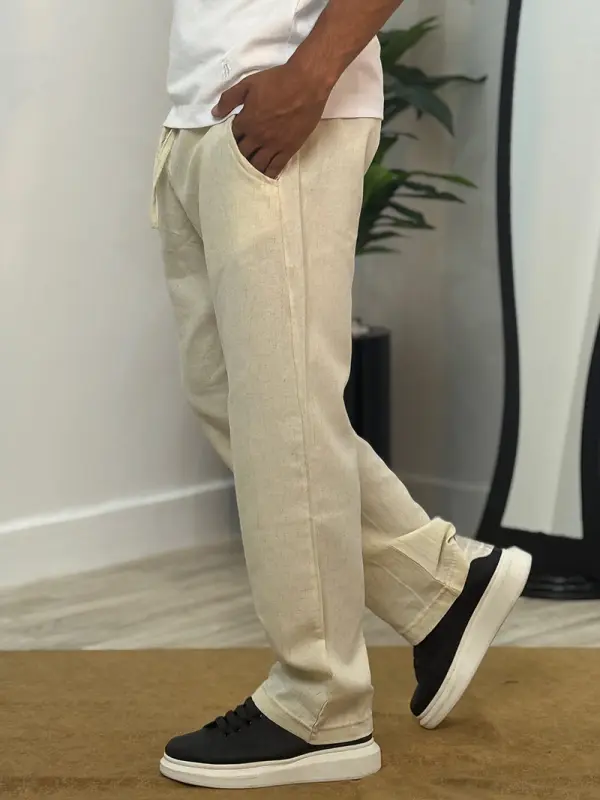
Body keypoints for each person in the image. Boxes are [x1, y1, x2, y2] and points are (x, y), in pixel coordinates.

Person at [151, 0, 532, 790]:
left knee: (285, 418)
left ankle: (321, 704)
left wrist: (309, 74)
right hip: (202, 115)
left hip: (281, 107)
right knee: (237, 403)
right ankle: (443, 589)